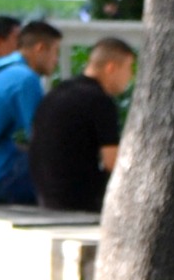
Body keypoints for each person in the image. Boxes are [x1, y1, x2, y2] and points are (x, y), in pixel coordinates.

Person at [29, 36, 134, 212]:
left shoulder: (58, 91)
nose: (130, 76)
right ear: (111, 68)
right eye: (129, 68)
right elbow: (113, 162)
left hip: (45, 195)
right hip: (78, 200)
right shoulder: (101, 101)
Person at [0, 17, 59, 205]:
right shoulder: (26, 79)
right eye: (55, 52)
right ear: (40, 48)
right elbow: (41, 140)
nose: (56, 60)